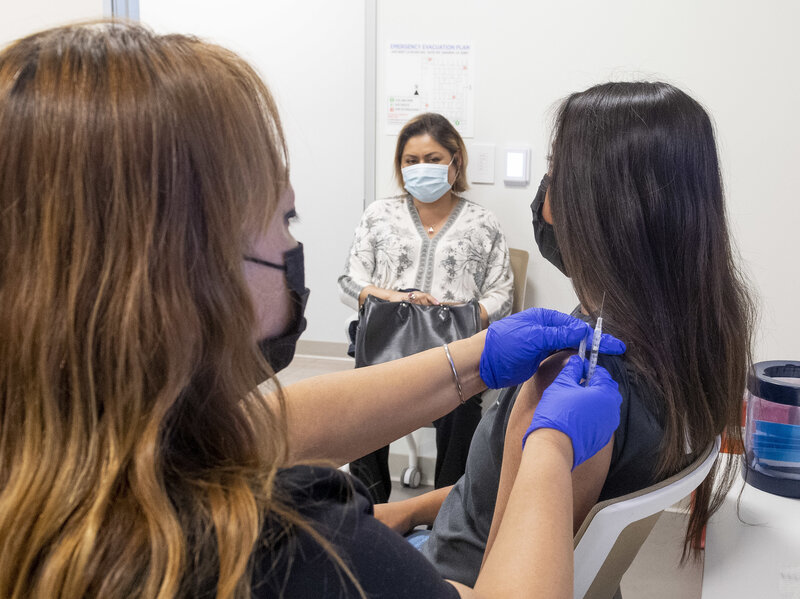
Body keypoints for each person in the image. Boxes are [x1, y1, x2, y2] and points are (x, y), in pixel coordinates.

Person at [0, 22, 629, 598]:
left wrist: (475, 356)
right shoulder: (290, 553)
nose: (292, 248)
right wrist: (547, 456)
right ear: (194, 271)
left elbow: (259, 426)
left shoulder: (66, 453)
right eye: (284, 220)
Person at [377, 81, 755, 587]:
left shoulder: (570, 379)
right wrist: (407, 510)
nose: (544, 196)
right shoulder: (692, 341)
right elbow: (495, 494)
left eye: (554, 170)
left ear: (600, 206)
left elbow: (497, 580)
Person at [338, 112, 514, 501]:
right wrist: (397, 299)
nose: (421, 167)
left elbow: (502, 293)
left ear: (456, 162)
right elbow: (349, 282)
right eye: (411, 160)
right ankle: (367, 509)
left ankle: (445, 511)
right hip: (387, 346)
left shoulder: (483, 222)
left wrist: (459, 315)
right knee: (363, 406)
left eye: (433, 159)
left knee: (461, 406)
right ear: (400, 166)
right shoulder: (378, 215)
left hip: (454, 350)